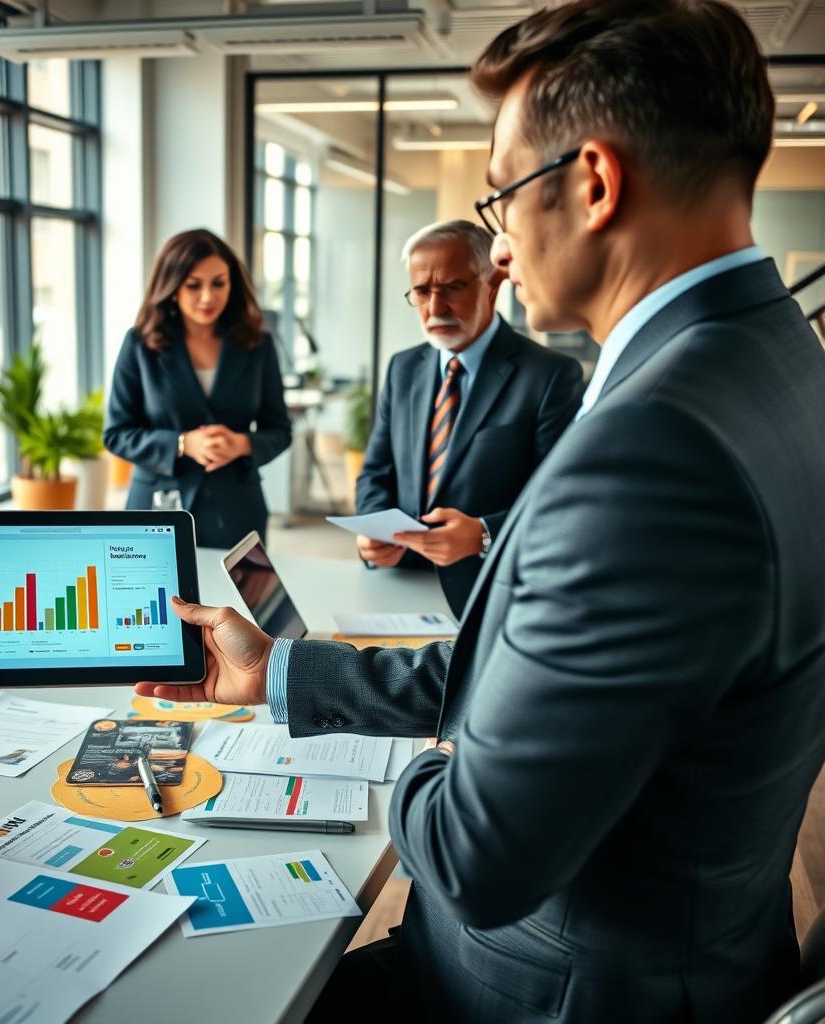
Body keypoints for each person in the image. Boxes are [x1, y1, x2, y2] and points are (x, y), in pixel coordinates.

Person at [136, 1, 825, 1020]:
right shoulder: (778, 365)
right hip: (692, 944)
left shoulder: (657, 444)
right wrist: (282, 671)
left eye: (500, 199)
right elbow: (546, 669)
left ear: (592, 183)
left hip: (545, 991)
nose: (497, 250)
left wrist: (435, 752)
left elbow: (475, 855)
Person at [356, 219, 582, 617]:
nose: (435, 308)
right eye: (422, 292)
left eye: (452, 289)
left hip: (496, 593)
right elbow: (376, 471)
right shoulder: (402, 368)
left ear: (493, 284)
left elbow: (560, 501)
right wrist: (374, 532)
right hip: (402, 584)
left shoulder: (549, 376)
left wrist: (483, 534)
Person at [104, 229, 291, 548]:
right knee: (153, 599)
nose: (208, 297)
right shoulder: (140, 345)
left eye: (219, 283)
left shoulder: (258, 345)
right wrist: (181, 443)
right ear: (172, 287)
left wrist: (243, 444)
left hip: (236, 509)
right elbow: (116, 434)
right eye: (194, 285)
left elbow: (280, 430)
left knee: (238, 598)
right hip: (157, 508)